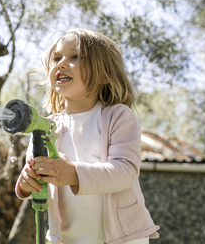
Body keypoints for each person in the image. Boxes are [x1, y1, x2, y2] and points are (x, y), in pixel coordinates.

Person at [15, 28, 159, 244]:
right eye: (56, 58)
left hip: (122, 239)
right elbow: (35, 174)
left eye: (75, 57)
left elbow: (125, 171)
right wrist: (27, 181)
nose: (61, 64)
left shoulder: (118, 116)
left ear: (103, 75)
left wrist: (73, 174)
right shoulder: (45, 127)